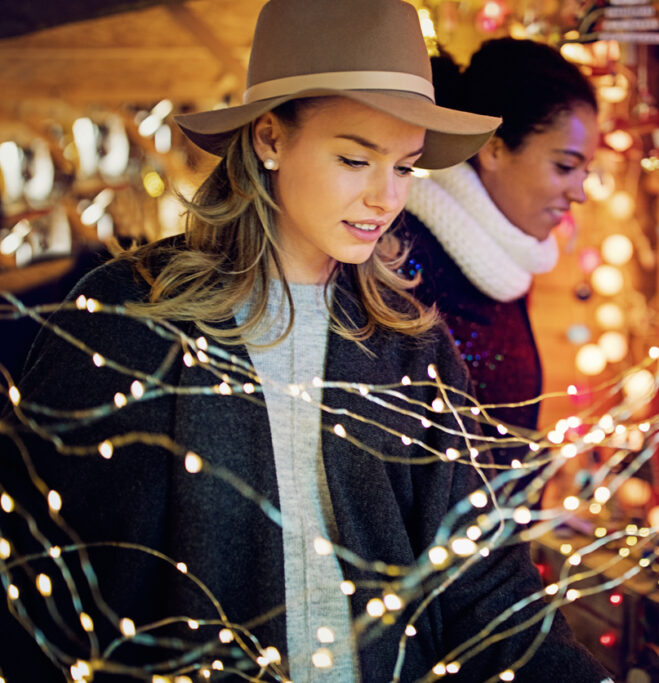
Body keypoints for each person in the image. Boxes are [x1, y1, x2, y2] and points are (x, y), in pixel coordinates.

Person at [0, 2, 611, 681]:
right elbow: (46, 590)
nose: (384, 197)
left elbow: (485, 582)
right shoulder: (128, 318)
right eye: (356, 158)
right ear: (270, 138)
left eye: (405, 167)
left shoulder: (411, 348)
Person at [392, 39, 599, 485]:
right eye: (566, 166)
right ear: (494, 149)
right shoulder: (406, 260)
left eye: (586, 171)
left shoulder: (501, 268)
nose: (580, 191)